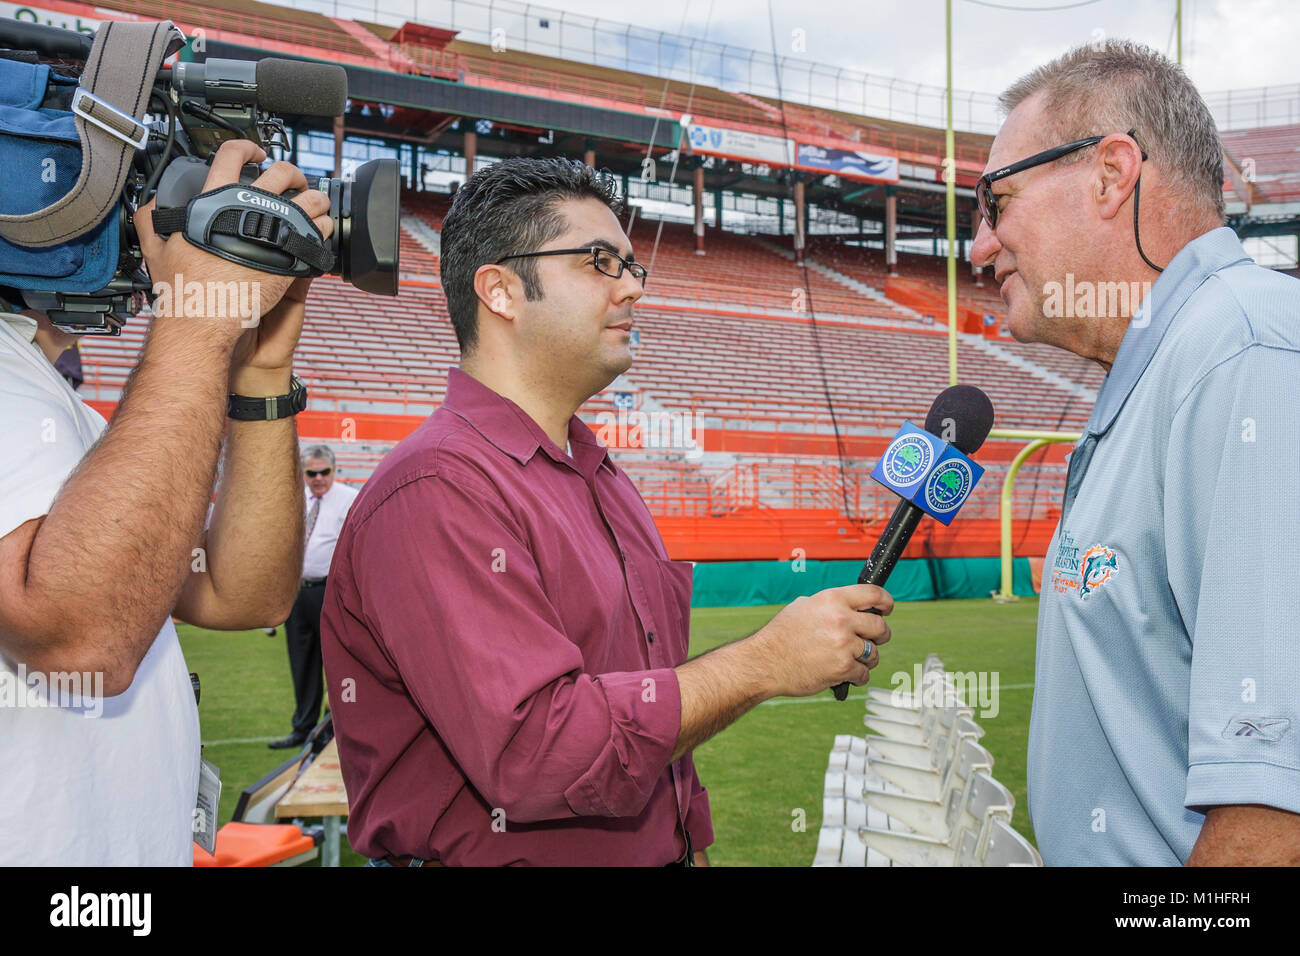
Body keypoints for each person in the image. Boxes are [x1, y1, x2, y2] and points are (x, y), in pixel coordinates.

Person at [321, 156, 894, 867]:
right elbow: (539, 754)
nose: (631, 289)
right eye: (599, 262)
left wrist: (690, 844)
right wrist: (764, 662)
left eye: (631, 267)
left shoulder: (602, 477)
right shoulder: (437, 489)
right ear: (500, 290)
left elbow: (652, 734)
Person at [970, 40, 1300, 865]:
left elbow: (1271, 819)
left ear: (1113, 175)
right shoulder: (1175, 357)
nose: (980, 246)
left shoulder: (1241, 353)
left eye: (996, 201)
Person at [0, 139, 332, 865]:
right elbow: (79, 640)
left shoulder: (63, 410)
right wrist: (195, 318)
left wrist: (261, 370)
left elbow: (242, 593)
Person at [269, 444, 357, 749]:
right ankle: (303, 727)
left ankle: (332, 728)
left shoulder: (349, 499)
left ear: (334, 471)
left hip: (331, 593)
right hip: (297, 592)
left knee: (336, 664)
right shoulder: (294, 499)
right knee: (301, 662)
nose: (318, 478)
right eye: (312, 473)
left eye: (324, 472)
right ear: (304, 473)